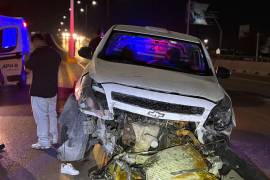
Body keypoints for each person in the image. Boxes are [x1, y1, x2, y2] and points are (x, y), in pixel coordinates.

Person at [26, 34, 61, 150]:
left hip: (39, 90)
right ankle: (53, 137)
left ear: (36, 41)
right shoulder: (55, 53)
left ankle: (44, 141)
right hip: (52, 90)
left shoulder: (37, 53)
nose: (33, 45)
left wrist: (29, 55)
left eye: (33, 42)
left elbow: (27, 67)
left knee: (41, 116)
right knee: (51, 114)